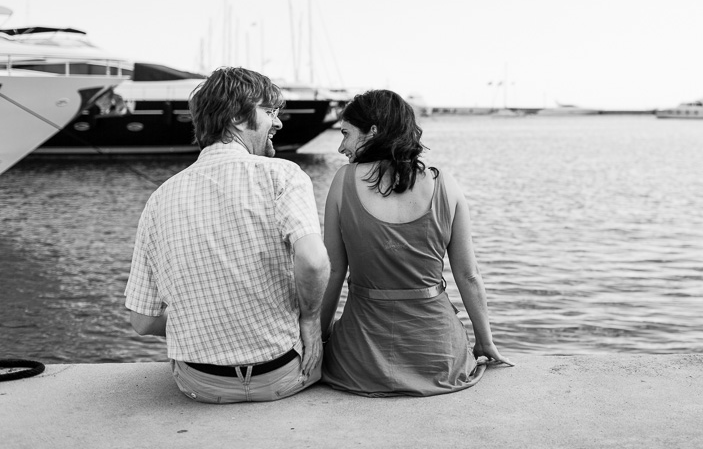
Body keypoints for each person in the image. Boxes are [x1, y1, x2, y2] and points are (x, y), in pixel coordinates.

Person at [124, 67, 330, 404]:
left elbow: (142, 321)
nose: (278, 123)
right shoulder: (282, 175)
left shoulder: (160, 197)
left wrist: (201, 318)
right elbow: (313, 259)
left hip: (201, 385)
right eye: (269, 112)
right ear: (236, 116)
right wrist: (309, 320)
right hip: (281, 376)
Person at [320, 89, 512, 397]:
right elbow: (469, 275)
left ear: (372, 131)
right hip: (439, 357)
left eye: (345, 134)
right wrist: (485, 341)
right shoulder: (445, 184)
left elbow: (331, 272)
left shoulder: (343, 181)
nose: (341, 146)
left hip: (360, 359)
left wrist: (321, 337)